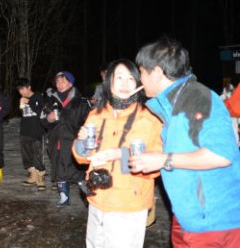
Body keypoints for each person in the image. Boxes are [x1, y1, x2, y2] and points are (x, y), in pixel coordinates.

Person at [130, 37, 240, 247]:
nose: (139, 80)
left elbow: (222, 154)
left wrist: (164, 160)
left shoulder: (197, 98)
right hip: (189, 215)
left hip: (215, 221)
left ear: (157, 72)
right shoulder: (172, 105)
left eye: (141, 72)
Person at [72, 59, 163, 248]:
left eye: (130, 78)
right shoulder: (96, 114)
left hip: (128, 205)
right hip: (97, 199)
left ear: (138, 83)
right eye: (118, 77)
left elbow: (156, 165)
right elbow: (82, 157)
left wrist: (121, 154)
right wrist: (81, 144)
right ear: (109, 82)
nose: (124, 83)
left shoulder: (149, 118)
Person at [41, 71, 91, 206]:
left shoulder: (81, 101)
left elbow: (91, 121)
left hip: (75, 142)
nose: (59, 84)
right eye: (57, 82)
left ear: (70, 82)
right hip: (56, 141)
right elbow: (42, 120)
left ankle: (89, 197)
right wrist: (48, 118)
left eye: (63, 81)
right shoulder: (50, 101)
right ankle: (64, 197)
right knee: (59, 168)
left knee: (78, 171)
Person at [15, 78, 47, 190]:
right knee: (27, 156)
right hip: (25, 131)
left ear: (29, 87)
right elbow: (23, 114)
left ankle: (40, 178)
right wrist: (21, 105)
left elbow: (41, 111)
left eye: (23, 89)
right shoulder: (23, 98)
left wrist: (29, 102)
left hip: (36, 132)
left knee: (37, 156)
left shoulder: (38, 96)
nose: (21, 92)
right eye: (19, 90)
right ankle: (33, 176)